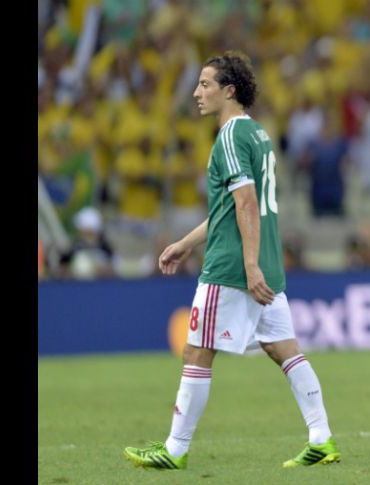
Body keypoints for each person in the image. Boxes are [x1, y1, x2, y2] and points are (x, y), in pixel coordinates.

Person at [124, 51, 341, 470]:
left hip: (232, 268)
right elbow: (231, 206)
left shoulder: (228, 137)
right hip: (266, 264)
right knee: (285, 350)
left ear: (229, 90)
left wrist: (250, 264)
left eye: (205, 84)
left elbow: (244, 203)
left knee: (196, 352)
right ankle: (322, 438)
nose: (196, 92)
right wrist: (186, 243)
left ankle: (175, 448)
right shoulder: (257, 134)